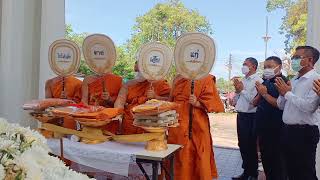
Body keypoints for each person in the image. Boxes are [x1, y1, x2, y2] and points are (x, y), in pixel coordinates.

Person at [167, 74, 224, 180]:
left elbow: (212, 104)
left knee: (198, 153)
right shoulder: (178, 78)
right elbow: (171, 100)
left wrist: (197, 103)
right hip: (177, 122)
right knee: (179, 153)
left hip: (197, 124)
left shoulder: (206, 78)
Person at [275, 46, 320, 180]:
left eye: (296, 58)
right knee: (290, 171)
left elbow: (309, 107)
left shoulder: (316, 80)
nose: (292, 60)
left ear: (310, 60)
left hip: (304, 133)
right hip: (287, 131)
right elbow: (281, 105)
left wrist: (287, 93)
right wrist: (283, 94)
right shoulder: (293, 79)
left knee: (304, 173)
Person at [253, 56, 287, 180]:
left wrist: (264, 94)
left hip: (276, 129)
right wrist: (259, 93)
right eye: (265, 67)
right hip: (263, 128)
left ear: (279, 67)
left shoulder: (282, 82)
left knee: (277, 164)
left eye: (270, 67)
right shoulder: (265, 81)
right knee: (266, 161)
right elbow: (254, 102)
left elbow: (280, 105)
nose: (267, 69)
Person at [114, 61, 170, 134]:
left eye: (139, 71)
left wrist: (156, 97)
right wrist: (118, 114)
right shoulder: (128, 84)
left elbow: (170, 101)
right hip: (130, 122)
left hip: (150, 123)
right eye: (135, 71)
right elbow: (120, 101)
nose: (137, 73)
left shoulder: (159, 83)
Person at [232, 57, 263, 180]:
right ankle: (246, 172)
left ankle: (253, 174)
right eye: (243, 64)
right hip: (241, 115)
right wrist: (237, 92)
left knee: (251, 145)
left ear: (253, 67)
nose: (243, 66)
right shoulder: (243, 80)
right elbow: (237, 99)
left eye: (246, 64)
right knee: (243, 144)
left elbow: (253, 101)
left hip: (252, 116)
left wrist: (242, 90)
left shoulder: (258, 81)